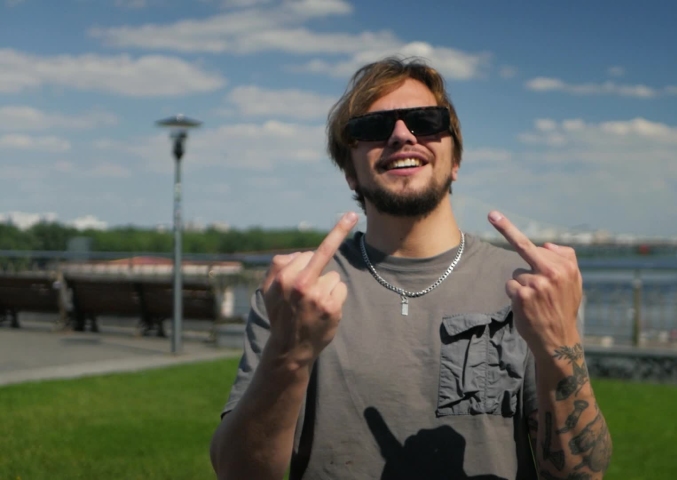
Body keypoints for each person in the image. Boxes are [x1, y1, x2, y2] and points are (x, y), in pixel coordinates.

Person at [209, 56, 612, 480]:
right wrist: (288, 357)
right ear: (350, 172)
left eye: (425, 121)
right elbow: (237, 473)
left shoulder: (526, 287)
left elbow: (581, 476)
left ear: (455, 160)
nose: (402, 135)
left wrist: (560, 343)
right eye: (374, 127)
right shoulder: (297, 294)